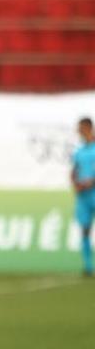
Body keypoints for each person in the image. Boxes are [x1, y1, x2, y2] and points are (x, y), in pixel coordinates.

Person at [72, 117, 95, 277]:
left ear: (88, 127)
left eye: (80, 128)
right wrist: (75, 183)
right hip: (83, 197)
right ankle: (87, 266)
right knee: (85, 229)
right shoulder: (78, 151)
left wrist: (91, 181)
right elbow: (74, 171)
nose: (78, 131)